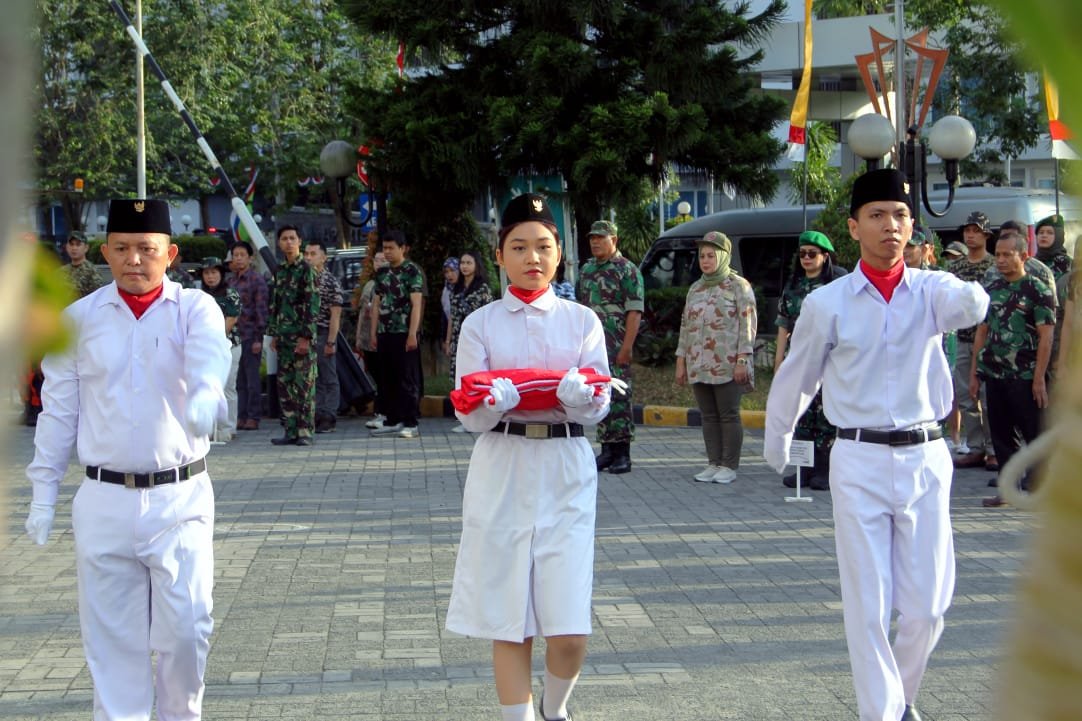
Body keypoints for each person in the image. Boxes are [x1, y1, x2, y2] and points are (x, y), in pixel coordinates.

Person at [764, 169, 989, 721]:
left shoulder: (932, 292)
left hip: (926, 457)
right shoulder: (829, 303)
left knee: (928, 608)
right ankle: (881, 713)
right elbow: (799, 376)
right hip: (858, 458)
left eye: (901, 216)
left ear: (913, 226)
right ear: (854, 226)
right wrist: (779, 443)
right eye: (878, 215)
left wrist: (960, 283)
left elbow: (973, 306)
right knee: (868, 603)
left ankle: (901, 696)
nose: (891, 226)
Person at [25, 198, 230, 721]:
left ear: (170, 252)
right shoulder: (77, 320)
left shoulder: (193, 308)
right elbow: (57, 413)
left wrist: (208, 392)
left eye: (146, 249)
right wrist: (43, 493)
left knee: (187, 630)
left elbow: (210, 354)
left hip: (178, 497)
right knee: (113, 644)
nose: (134, 260)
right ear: (104, 252)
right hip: (104, 500)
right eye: (121, 249)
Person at [445, 193, 611, 721]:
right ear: (500, 255)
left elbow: (598, 408)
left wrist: (583, 398)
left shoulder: (582, 321)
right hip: (503, 465)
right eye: (519, 246)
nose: (531, 257)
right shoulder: (481, 325)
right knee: (507, 616)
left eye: (543, 246)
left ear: (559, 253)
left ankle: (554, 708)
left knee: (569, 628)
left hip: (565, 468)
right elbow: (469, 415)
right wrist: (493, 402)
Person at [971, 232, 1056, 508]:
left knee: (1034, 433)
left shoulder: (1037, 290)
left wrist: (1039, 377)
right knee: (1001, 435)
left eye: (1008, 254)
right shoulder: (991, 289)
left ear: (1024, 256)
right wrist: (974, 372)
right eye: (998, 254)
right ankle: (1008, 490)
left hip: (1025, 375)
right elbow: (981, 333)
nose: (1001, 260)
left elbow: (1047, 336)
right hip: (995, 374)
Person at [676, 231, 757, 484]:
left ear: (723, 257)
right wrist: (681, 360)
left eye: (711, 255)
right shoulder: (696, 288)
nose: (706, 260)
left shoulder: (738, 286)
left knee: (728, 414)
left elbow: (748, 324)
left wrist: (743, 358)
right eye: (702, 256)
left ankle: (729, 465)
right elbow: (685, 326)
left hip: (727, 363)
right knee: (708, 415)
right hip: (698, 363)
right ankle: (713, 463)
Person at [772, 230, 847, 491]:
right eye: (802, 253)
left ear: (825, 257)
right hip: (800, 359)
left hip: (828, 360)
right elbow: (783, 323)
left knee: (825, 415)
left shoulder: (837, 286)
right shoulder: (793, 286)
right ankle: (804, 469)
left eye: (812, 254)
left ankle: (825, 470)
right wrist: (779, 358)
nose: (806, 258)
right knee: (801, 413)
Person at [577, 219, 644, 474]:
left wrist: (627, 347)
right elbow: (581, 309)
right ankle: (606, 449)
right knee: (599, 394)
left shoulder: (627, 270)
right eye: (592, 238)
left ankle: (622, 453)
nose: (595, 242)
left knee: (620, 397)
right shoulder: (587, 270)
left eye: (600, 238)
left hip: (617, 344)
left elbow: (635, 312)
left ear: (613, 240)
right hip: (594, 345)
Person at [948, 211, 996, 471]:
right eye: (967, 230)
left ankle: (992, 449)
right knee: (966, 396)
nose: (970, 234)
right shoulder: (956, 267)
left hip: (989, 341)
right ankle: (976, 447)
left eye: (976, 230)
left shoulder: (993, 265)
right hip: (963, 338)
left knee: (987, 397)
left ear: (986, 234)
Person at [267, 225, 319, 446]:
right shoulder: (280, 271)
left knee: (303, 386)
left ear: (300, 242)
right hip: (284, 338)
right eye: (284, 239)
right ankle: (290, 430)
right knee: (285, 386)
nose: (289, 242)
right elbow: (276, 304)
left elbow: (312, 305)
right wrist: (274, 334)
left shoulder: (306, 269)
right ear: (279, 243)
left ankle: (305, 431)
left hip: (300, 338)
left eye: (292, 238)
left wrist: (306, 337)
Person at [368, 229, 424, 439]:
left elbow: (416, 304)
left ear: (403, 249)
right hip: (384, 332)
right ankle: (392, 419)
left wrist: (413, 333)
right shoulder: (382, 273)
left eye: (392, 248)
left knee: (406, 378)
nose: (388, 252)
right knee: (386, 378)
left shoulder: (412, 271)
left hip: (403, 333)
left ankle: (411, 422)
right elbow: (376, 304)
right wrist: (373, 333)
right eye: (385, 248)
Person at [226, 240, 269, 431]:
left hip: (252, 335)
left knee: (252, 380)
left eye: (242, 255)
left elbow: (261, 310)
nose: (239, 258)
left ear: (250, 258)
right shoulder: (231, 281)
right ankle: (240, 415)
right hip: (234, 337)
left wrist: (259, 338)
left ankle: (254, 416)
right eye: (235, 255)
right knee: (238, 380)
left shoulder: (256, 280)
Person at [199, 256, 242, 441]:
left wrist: (215, 339)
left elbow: (231, 319)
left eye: (214, 272)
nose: (210, 277)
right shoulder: (198, 296)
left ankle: (228, 428)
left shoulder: (230, 293)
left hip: (229, 346)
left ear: (221, 274)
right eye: (207, 273)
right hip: (204, 348)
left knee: (227, 388)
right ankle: (208, 429)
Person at [304, 240, 344, 434]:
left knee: (329, 377)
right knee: (314, 378)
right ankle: (318, 413)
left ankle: (329, 415)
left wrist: (331, 341)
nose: (309, 258)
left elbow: (335, 315)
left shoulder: (330, 282)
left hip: (323, 332)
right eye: (307, 254)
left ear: (324, 257)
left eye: (313, 254)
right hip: (307, 334)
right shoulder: (305, 279)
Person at [354, 245, 391, 429]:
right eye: (377, 260)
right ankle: (381, 410)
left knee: (385, 376)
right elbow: (362, 312)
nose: (379, 263)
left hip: (384, 336)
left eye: (383, 260)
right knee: (375, 375)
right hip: (368, 337)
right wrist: (359, 336)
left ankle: (384, 411)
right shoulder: (370, 284)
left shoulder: (390, 283)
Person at [1033, 213, 1073, 371]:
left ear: (1058, 236)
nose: (1044, 236)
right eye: (1041, 232)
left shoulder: (1067, 265)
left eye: (1050, 233)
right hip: (1034, 331)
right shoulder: (1031, 264)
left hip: (1060, 330)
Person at [60, 230, 106, 298]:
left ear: (86, 248)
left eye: (78, 244)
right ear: (67, 247)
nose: (74, 248)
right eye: (71, 244)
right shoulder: (61, 271)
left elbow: (97, 299)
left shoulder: (92, 272)